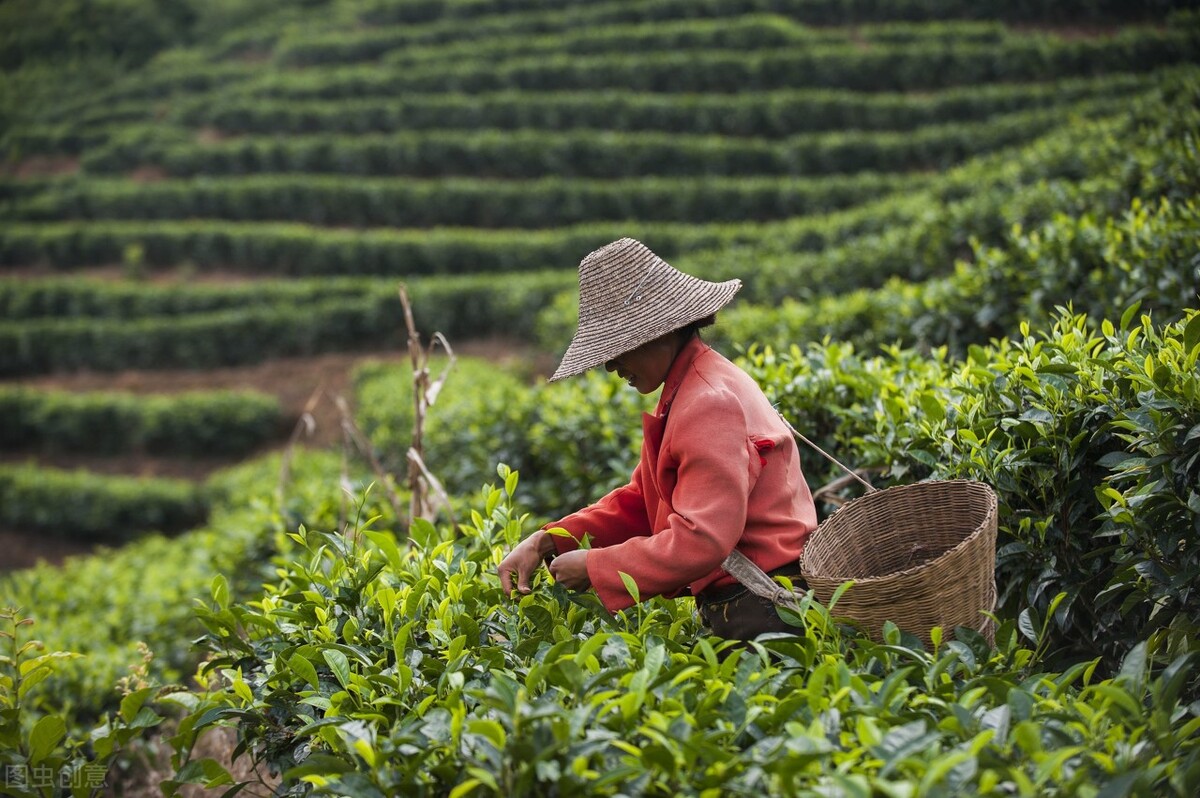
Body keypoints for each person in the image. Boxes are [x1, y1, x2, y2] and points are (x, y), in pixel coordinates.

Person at [497, 237, 818, 639]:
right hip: (758, 601)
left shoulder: (707, 401)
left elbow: (702, 539)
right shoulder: (695, 385)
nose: (612, 365)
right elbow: (642, 501)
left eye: (619, 349)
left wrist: (596, 567)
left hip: (763, 609)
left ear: (659, 331)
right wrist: (548, 540)